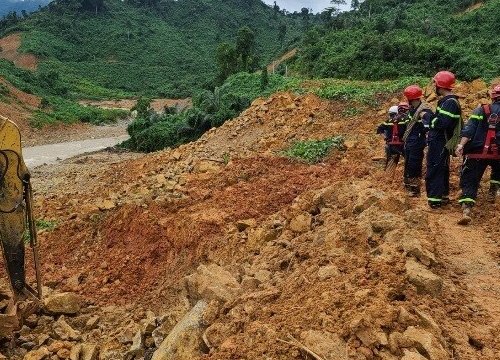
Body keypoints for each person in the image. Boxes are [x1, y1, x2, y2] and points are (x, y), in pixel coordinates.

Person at [455, 85, 500, 224]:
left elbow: (469, 130)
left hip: (477, 152)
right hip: (498, 152)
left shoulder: (481, 109)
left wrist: (461, 145)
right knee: (498, 174)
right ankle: (493, 194)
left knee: (470, 179)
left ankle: (467, 209)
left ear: (493, 96)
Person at [424, 71, 462, 208]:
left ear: (440, 85)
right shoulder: (447, 102)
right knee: (441, 168)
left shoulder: (450, 102)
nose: (433, 86)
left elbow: (441, 123)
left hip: (439, 141)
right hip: (439, 141)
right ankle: (442, 196)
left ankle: (435, 201)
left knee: (435, 168)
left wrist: (427, 116)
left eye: (435, 83)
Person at [402, 85, 433, 196]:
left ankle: (415, 190)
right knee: (408, 164)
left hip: (417, 142)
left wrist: (425, 125)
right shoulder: (412, 110)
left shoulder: (423, 110)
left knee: (414, 164)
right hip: (410, 141)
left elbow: (428, 120)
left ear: (411, 98)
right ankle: (408, 185)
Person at [376, 104, 406, 170]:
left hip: (393, 146)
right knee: (408, 162)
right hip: (401, 145)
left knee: (391, 164)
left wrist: (385, 138)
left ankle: (388, 178)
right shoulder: (404, 121)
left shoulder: (388, 122)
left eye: (391, 114)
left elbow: (379, 130)